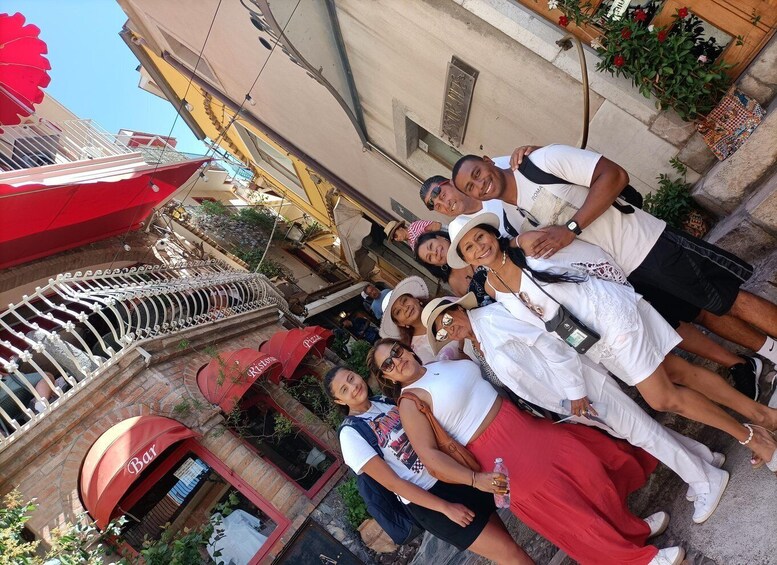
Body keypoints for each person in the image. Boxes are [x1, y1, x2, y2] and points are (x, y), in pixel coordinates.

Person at [447, 212, 777, 474]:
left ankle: (752, 437)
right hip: (594, 343)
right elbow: (541, 321)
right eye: (470, 248)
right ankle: (763, 416)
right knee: (678, 372)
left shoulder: (528, 245)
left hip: (613, 317)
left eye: (480, 237)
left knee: (662, 398)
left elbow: (591, 256)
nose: (479, 247)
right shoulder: (491, 289)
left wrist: (619, 296)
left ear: (491, 234)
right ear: (467, 260)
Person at [450, 146, 777, 399]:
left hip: (646, 245)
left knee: (729, 300)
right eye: (471, 186)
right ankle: (770, 354)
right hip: (623, 279)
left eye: (477, 173)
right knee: (701, 314)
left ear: (488, 161)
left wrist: (571, 228)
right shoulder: (511, 218)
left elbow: (614, 175)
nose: (479, 184)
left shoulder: (541, 161)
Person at [368, 339, 684, 565]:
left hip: (525, 427)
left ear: (406, 348)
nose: (397, 360)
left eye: (396, 351)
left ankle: (632, 529)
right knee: (568, 512)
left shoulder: (440, 362)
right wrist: (475, 480)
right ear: (386, 377)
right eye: (388, 364)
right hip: (498, 453)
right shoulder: (409, 402)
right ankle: (635, 560)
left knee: (588, 473)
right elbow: (430, 458)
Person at [423, 294, 729, 521]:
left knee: (640, 432)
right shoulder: (480, 340)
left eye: (447, 320)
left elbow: (548, 344)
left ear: (458, 308)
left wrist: (576, 392)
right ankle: (702, 457)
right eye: (441, 332)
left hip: (580, 387)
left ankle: (705, 479)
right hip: (567, 399)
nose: (450, 329)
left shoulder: (492, 320)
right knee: (634, 431)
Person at [324, 366, 534, 564]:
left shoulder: (384, 402)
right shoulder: (351, 434)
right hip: (429, 499)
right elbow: (393, 483)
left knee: (508, 547)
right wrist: (444, 507)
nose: (353, 387)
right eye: (344, 389)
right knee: (510, 553)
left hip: (451, 475)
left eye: (351, 378)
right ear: (338, 400)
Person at [379, 276, 467, 364]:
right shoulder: (415, 352)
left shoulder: (444, 303)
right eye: (398, 312)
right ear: (400, 323)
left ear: (416, 299)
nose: (405, 308)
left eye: (405, 300)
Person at [414, 231, 492, 306]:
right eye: (430, 257)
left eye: (431, 246)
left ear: (440, 237)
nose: (434, 253)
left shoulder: (470, 240)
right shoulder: (454, 282)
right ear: (435, 265)